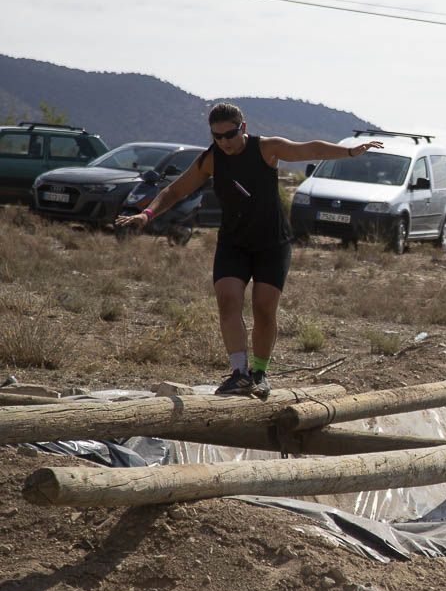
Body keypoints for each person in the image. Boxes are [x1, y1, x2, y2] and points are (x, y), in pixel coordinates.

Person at [115, 103, 382, 398]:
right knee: (228, 301)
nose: (224, 142)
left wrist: (348, 152)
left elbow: (307, 149)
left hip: (272, 244)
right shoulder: (212, 159)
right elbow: (175, 190)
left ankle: (260, 372)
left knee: (264, 309)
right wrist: (147, 214)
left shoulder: (267, 148)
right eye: (217, 137)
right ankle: (239, 373)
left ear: (243, 128)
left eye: (229, 135)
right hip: (234, 243)